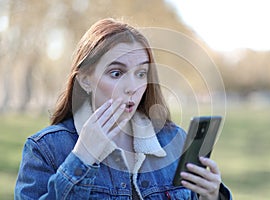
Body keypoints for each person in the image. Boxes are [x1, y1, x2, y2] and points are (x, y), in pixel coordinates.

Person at [15, 18, 232, 200]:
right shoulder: (45, 149)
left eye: (140, 74)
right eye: (116, 73)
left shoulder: (174, 141)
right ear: (85, 80)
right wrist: (81, 158)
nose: (132, 88)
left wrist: (212, 196)